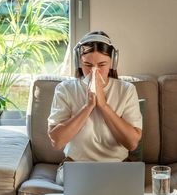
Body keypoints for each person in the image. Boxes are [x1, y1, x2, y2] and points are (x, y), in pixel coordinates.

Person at [47, 31, 143, 185]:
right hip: (76, 166)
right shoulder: (65, 89)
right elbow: (57, 141)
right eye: (88, 65)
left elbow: (132, 143)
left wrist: (103, 105)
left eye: (102, 65)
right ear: (78, 62)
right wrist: (88, 105)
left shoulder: (126, 90)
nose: (94, 71)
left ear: (113, 62)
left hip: (117, 166)